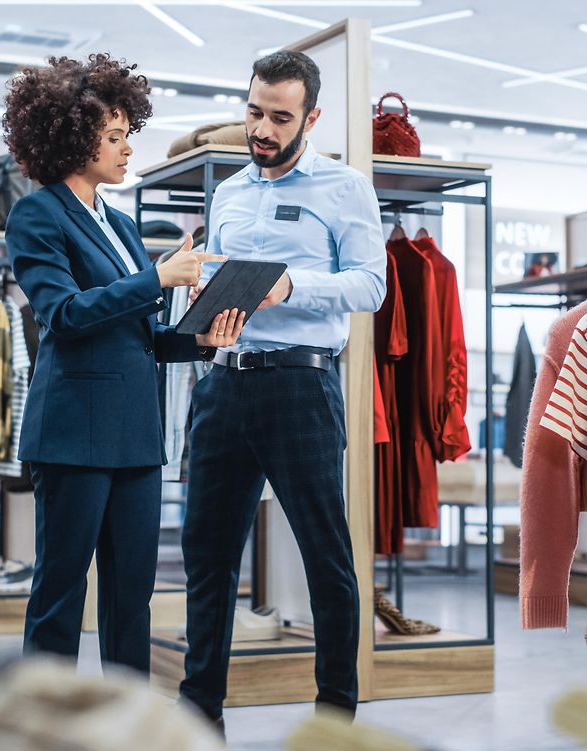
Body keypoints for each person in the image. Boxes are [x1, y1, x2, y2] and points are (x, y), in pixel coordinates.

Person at [2, 53, 244, 673]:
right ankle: (46, 730)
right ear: (71, 136)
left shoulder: (122, 224)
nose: (126, 150)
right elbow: (64, 313)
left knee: (131, 598)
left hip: (135, 438)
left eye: (125, 135)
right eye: (113, 138)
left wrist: (199, 340)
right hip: (74, 437)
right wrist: (157, 279)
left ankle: (129, 726)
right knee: (59, 594)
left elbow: (136, 335)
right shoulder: (37, 213)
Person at [180, 51, 387, 727]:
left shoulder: (344, 187)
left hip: (301, 386)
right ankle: (200, 714)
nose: (261, 129)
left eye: (279, 117)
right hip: (222, 386)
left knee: (327, 555)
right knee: (206, 559)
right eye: (253, 112)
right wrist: (204, 306)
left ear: (310, 117)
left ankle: (334, 718)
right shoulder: (229, 191)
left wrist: (292, 283)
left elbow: (371, 284)